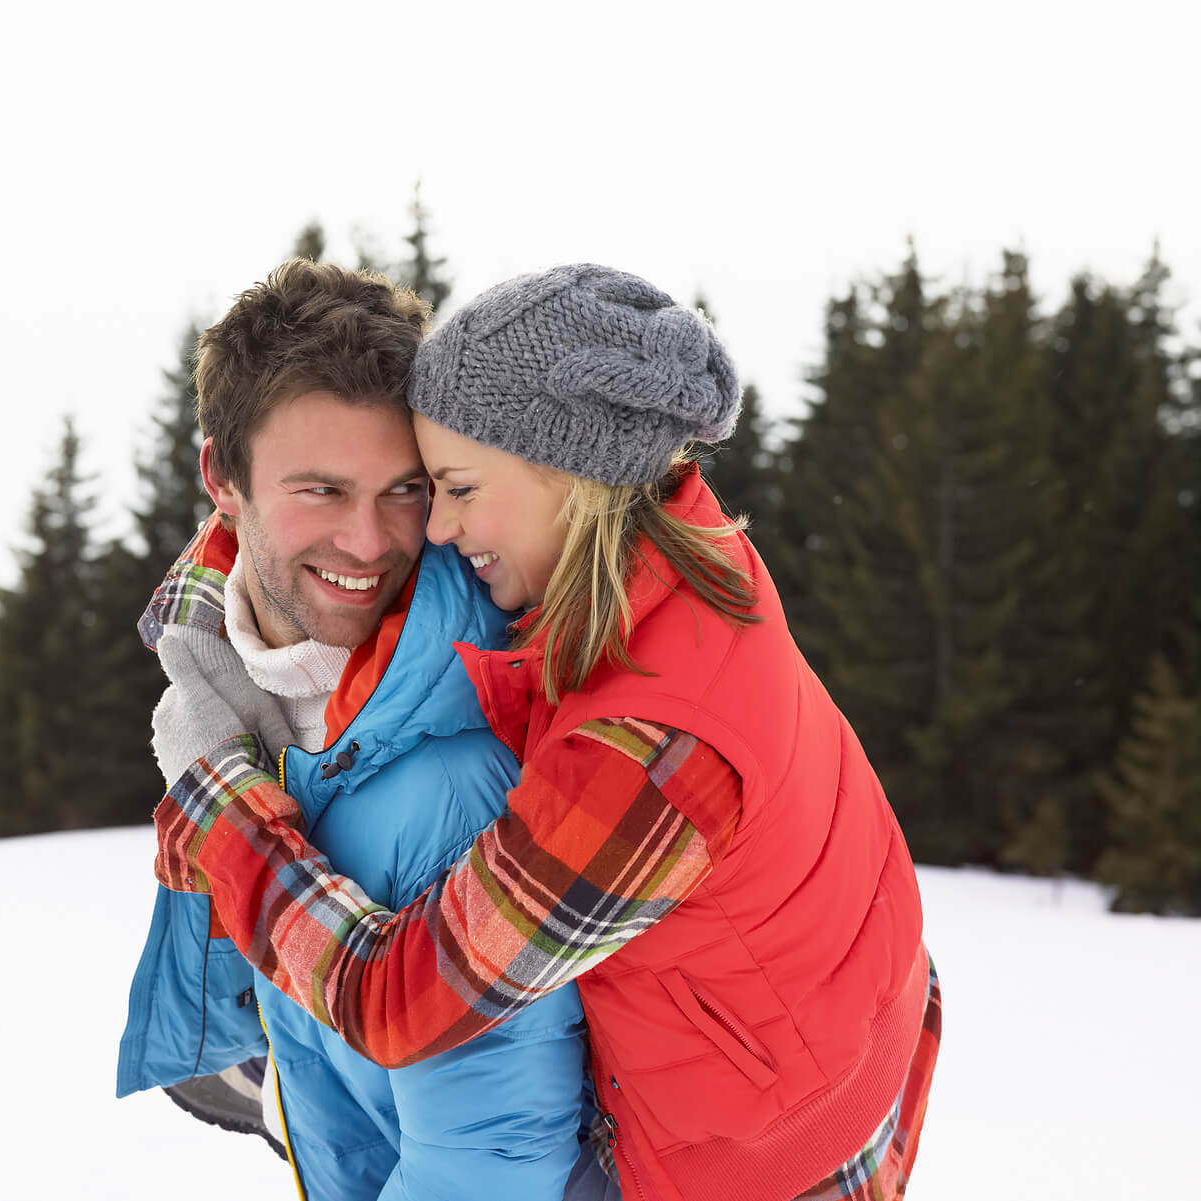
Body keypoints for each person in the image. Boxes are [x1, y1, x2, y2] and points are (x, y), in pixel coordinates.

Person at [149, 264, 942, 1201]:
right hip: (817, 1030)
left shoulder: (649, 752)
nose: (432, 529)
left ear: (573, 478)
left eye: (449, 486)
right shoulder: (654, 548)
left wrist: (229, 823)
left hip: (761, 1160)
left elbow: (401, 1001)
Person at [116, 259, 594, 1201]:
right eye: (322, 492)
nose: (371, 543)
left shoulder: (448, 782)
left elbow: (489, 1170)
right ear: (222, 475)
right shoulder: (218, 700)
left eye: (404, 491)